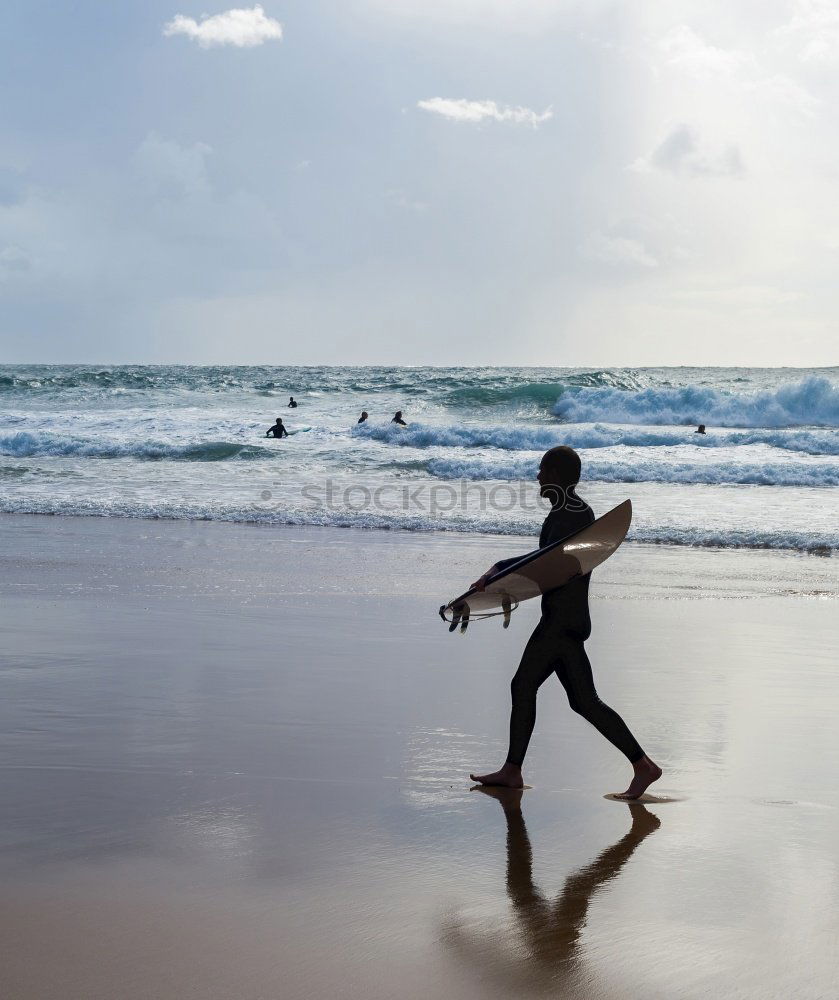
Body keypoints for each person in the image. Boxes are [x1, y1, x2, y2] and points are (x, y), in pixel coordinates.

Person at [468, 446, 661, 800]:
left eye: (542, 469)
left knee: (523, 685)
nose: (538, 476)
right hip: (566, 619)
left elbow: (548, 562)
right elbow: (545, 562)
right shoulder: (568, 511)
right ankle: (643, 765)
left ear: (556, 474)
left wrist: (499, 569)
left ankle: (512, 769)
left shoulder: (572, 514)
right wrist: (502, 577)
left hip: (560, 622)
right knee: (584, 701)